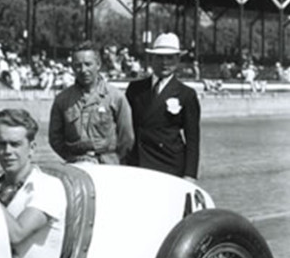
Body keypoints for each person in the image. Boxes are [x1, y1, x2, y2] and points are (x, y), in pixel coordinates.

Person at [0, 109, 66, 258]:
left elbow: (17, 234)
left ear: (31, 148)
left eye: (15, 144)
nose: (7, 151)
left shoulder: (49, 187)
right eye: (1, 144)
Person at [125, 32, 201, 180]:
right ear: (151, 59)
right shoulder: (135, 89)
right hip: (138, 163)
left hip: (170, 164)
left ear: (178, 60)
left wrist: (190, 174)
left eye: (170, 57)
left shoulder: (186, 94)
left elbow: (193, 139)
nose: (164, 62)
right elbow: (124, 127)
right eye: (160, 57)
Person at [48, 41, 134, 164]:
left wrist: (113, 160)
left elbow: (127, 138)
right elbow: (55, 138)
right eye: (78, 65)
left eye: (88, 64)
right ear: (72, 67)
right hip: (76, 165)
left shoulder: (115, 97)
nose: (83, 70)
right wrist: (72, 157)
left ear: (98, 65)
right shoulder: (62, 100)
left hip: (108, 166)